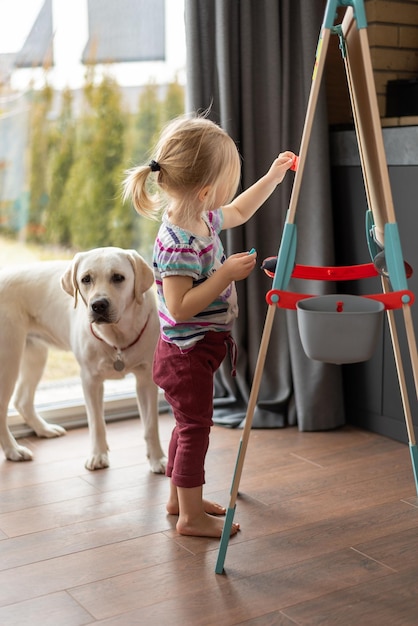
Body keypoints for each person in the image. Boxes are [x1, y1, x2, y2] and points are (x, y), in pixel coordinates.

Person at [123, 114, 295, 538]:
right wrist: (224, 276)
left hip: (195, 348)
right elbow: (180, 307)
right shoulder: (179, 243)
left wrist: (273, 177)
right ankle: (190, 516)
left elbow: (238, 210)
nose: (228, 197)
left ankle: (179, 498)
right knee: (197, 427)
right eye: (224, 185)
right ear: (204, 192)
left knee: (186, 424)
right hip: (185, 353)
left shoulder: (200, 218)